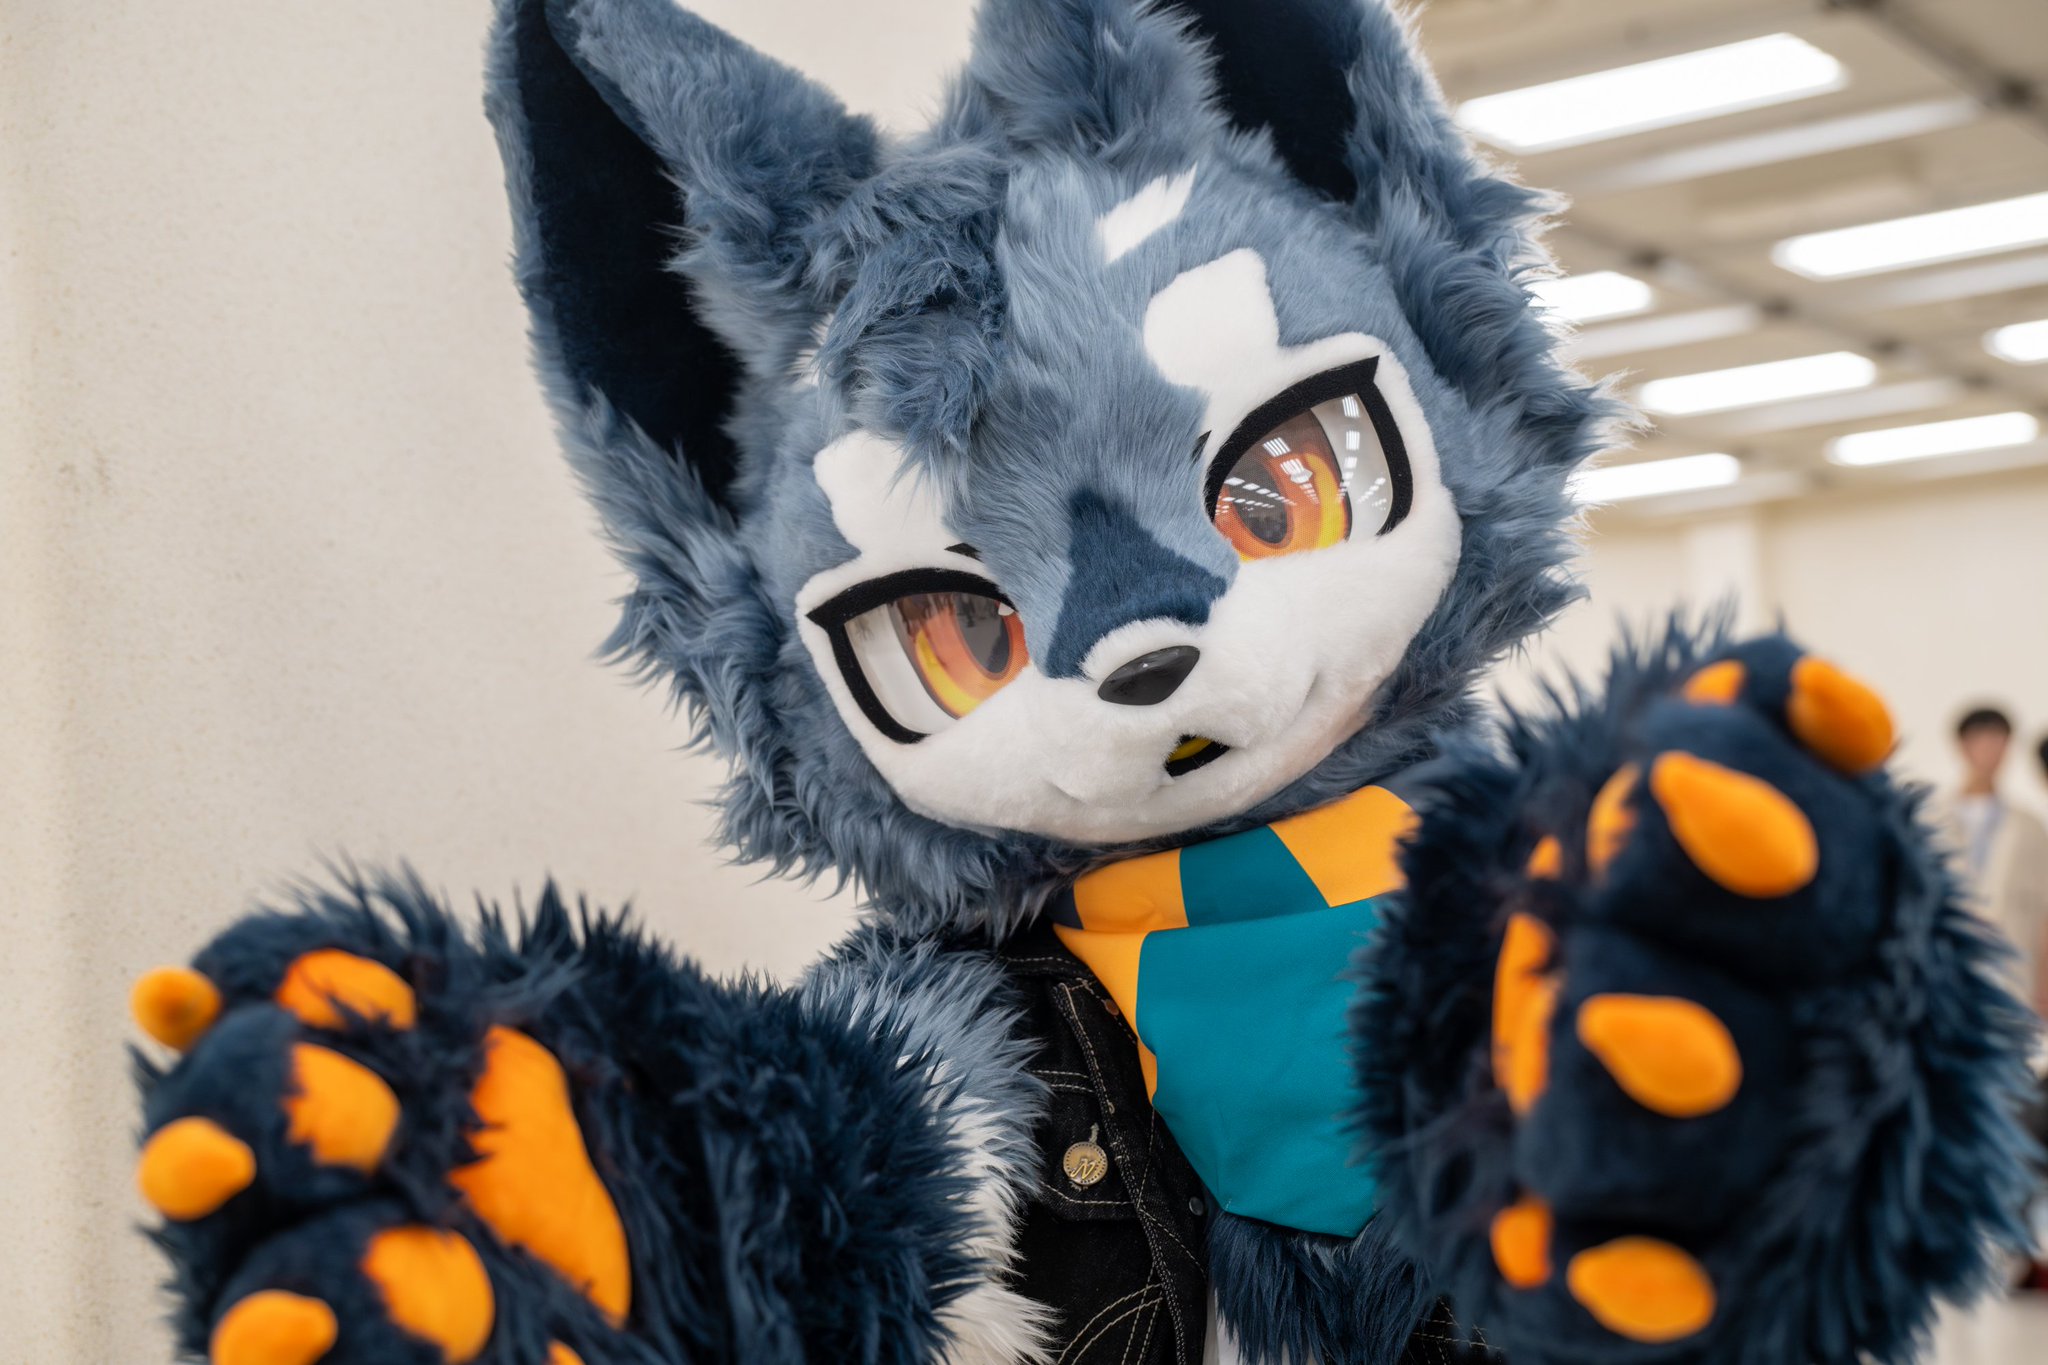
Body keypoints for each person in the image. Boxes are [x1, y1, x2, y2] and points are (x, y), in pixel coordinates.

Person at [1937, 707, 2048, 1018]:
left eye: (1998, 741)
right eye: (1981, 740)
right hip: (1950, 961)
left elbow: (2044, 910)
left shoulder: (2030, 827)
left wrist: (2044, 982)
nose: (1989, 751)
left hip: (2012, 965)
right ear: (1963, 746)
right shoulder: (1932, 819)